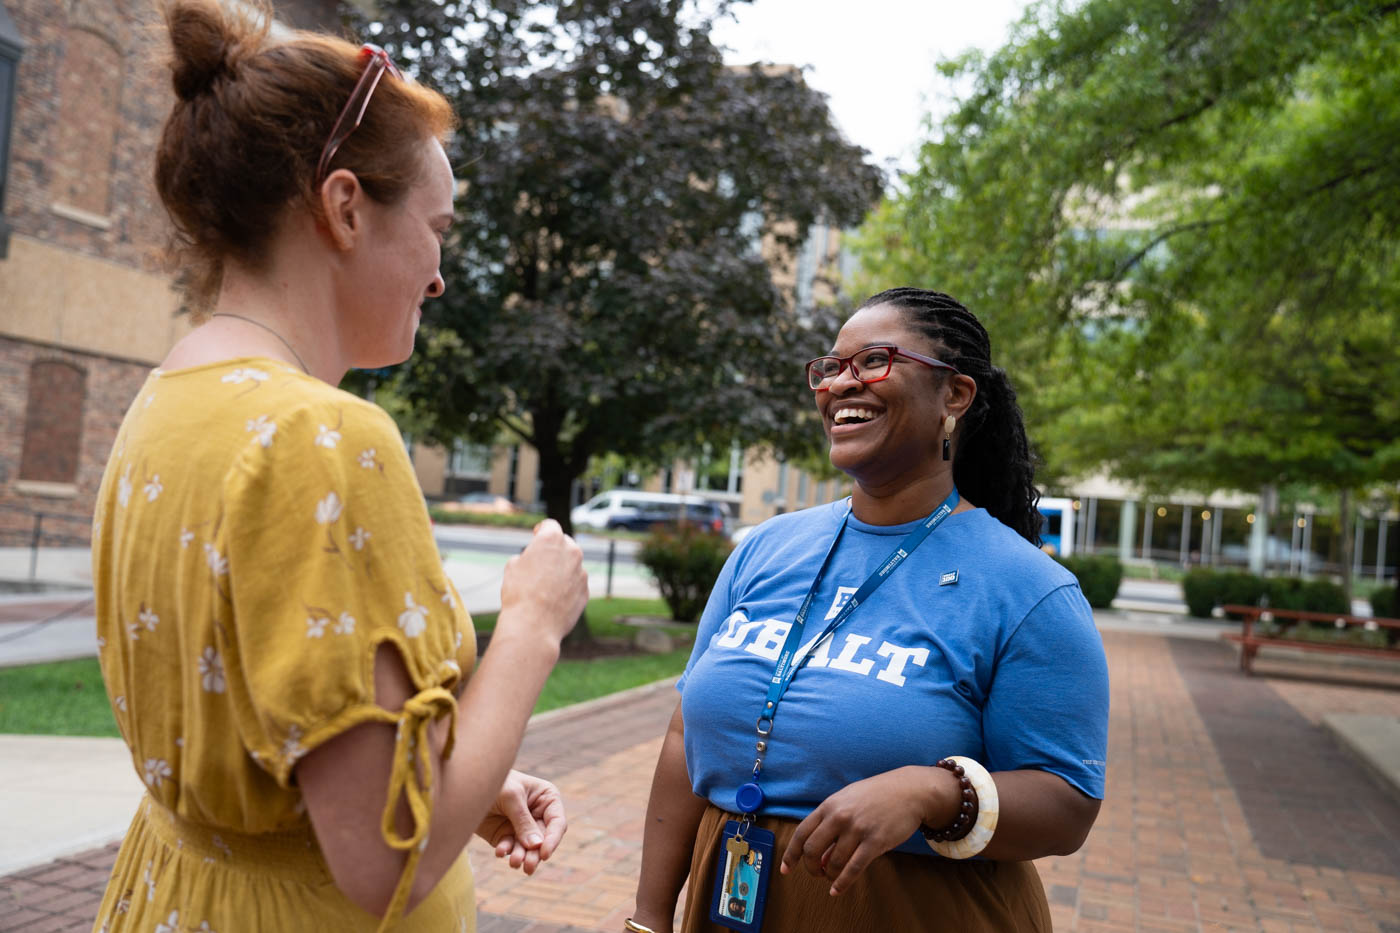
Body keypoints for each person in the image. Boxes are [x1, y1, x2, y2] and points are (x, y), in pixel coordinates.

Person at [89, 2, 589, 930]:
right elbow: (386, 860)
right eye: (436, 226)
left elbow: (272, 743)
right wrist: (533, 625)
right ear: (346, 207)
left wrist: (460, 768)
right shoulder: (327, 436)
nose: (439, 275)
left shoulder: (165, 403)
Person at [627, 288, 1110, 932]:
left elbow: (1068, 804)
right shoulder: (766, 548)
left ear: (955, 397)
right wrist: (649, 917)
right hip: (729, 906)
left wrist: (933, 792)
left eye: (874, 361)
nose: (840, 384)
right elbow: (685, 735)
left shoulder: (1028, 589)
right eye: (830, 368)